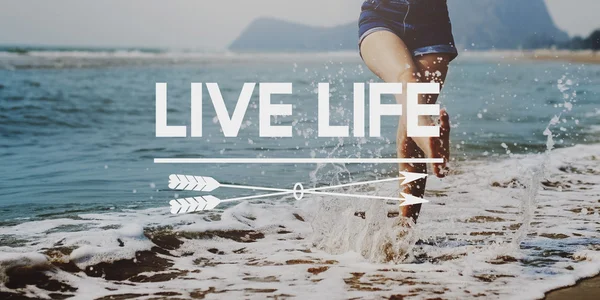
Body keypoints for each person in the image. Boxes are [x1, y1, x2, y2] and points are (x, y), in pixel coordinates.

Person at [358, 0, 457, 222]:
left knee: (410, 112)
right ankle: (431, 145)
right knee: (410, 82)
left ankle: (406, 228)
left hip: (433, 27)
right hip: (382, 18)